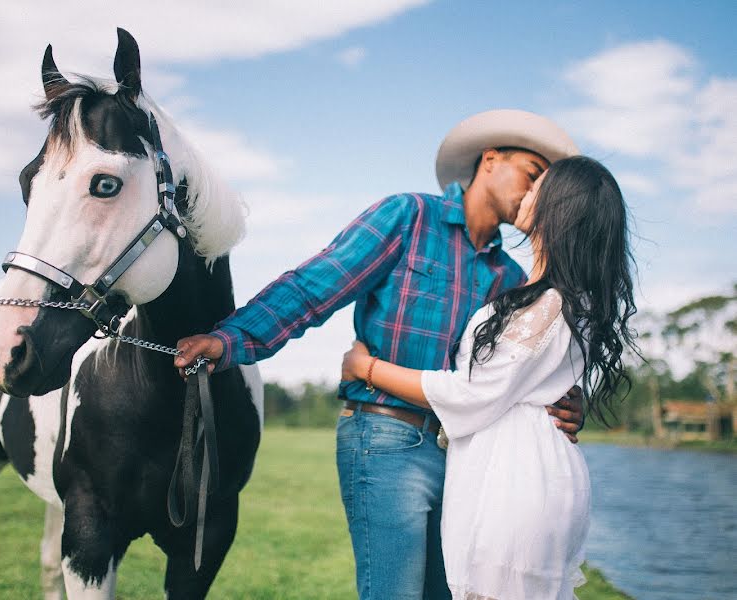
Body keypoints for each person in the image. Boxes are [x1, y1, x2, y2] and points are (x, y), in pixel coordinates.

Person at [175, 109, 586, 599]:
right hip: (388, 438)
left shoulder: (513, 279)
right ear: (490, 160)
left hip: (467, 458)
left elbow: (514, 376)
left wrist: (563, 401)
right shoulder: (408, 216)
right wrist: (229, 339)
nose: (534, 194)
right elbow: (315, 286)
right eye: (532, 175)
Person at [341, 155, 638, 599]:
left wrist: (365, 368)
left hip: (516, 479)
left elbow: (472, 394)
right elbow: (525, 380)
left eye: (541, 184)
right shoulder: (550, 297)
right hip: (523, 467)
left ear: (560, 208)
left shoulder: (549, 304)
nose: (529, 191)